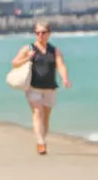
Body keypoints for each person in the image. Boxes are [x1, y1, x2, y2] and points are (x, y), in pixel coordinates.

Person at [11, 21, 71, 155]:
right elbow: (14, 63)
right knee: (38, 112)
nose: (40, 35)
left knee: (46, 117)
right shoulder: (28, 49)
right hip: (33, 87)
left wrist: (65, 78)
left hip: (50, 87)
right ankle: (40, 143)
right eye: (37, 33)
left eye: (43, 32)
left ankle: (42, 139)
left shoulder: (54, 50)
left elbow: (61, 65)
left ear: (49, 34)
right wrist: (27, 58)